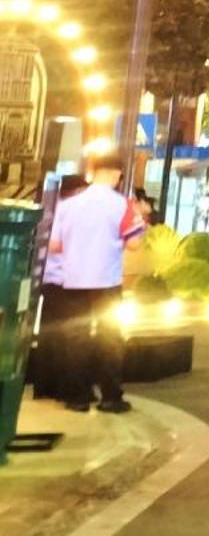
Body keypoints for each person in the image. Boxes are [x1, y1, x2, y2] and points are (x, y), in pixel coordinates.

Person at [45, 158, 144, 413]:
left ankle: (77, 397)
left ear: (93, 173)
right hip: (106, 281)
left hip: (72, 280)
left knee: (75, 339)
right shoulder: (122, 205)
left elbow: (54, 245)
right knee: (109, 337)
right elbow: (134, 244)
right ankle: (110, 396)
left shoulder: (68, 206)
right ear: (116, 174)